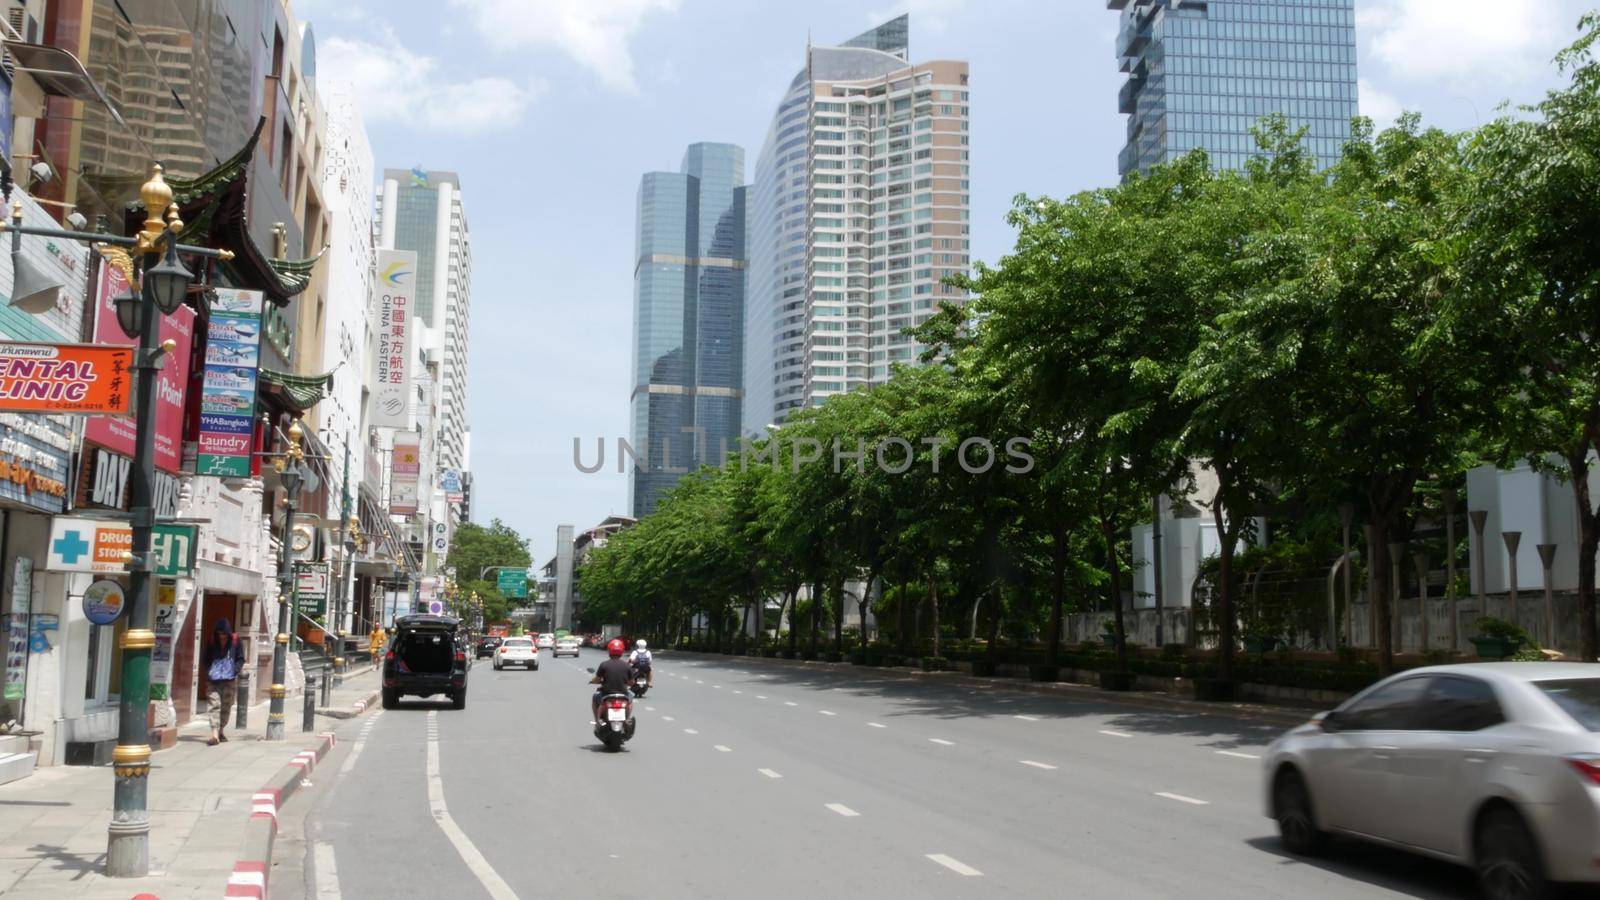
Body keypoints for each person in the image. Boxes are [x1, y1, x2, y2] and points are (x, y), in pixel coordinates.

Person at [201, 618, 245, 746]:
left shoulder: (236, 642)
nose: (222, 637)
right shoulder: (212, 641)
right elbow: (205, 658)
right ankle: (214, 735)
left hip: (229, 680)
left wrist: (235, 671)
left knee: (226, 705)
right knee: (214, 704)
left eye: (225, 634)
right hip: (213, 680)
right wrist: (209, 671)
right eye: (220, 634)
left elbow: (241, 658)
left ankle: (221, 730)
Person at [590, 638, 634, 723]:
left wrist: (593, 681)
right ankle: (627, 718)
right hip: (623, 694)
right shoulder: (626, 665)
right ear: (622, 651)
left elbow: (597, 679)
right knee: (630, 700)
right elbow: (631, 682)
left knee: (595, 698)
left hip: (607, 694)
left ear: (609, 650)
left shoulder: (604, 665)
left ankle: (597, 720)